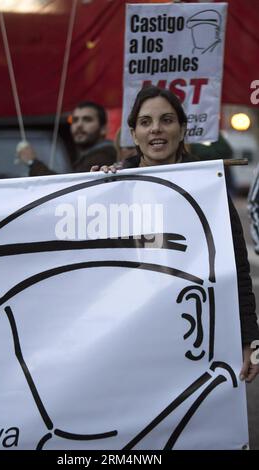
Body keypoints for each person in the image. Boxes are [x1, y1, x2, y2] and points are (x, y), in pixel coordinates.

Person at [92, 85, 259, 383]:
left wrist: (250, 339)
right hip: (130, 337)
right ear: (133, 134)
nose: (156, 129)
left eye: (167, 120)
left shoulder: (210, 186)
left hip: (198, 335)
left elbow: (237, 269)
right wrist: (94, 191)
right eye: (145, 122)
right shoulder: (113, 186)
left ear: (182, 130)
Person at [17, 101, 117, 175]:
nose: (79, 125)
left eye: (87, 120)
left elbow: (63, 188)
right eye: (75, 120)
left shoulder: (104, 155)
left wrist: (32, 162)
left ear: (103, 129)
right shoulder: (91, 155)